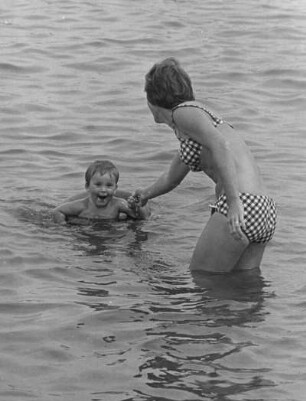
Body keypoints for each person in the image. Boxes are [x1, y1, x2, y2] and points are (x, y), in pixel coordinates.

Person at [133, 57, 276, 273]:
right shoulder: (193, 123)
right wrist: (145, 194)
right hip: (263, 209)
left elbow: (221, 145)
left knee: (202, 280)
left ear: (153, 96)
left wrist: (233, 201)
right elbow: (172, 177)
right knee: (245, 288)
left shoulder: (181, 112)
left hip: (240, 204)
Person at [53, 160, 150, 223]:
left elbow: (140, 216)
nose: (103, 190)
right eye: (98, 184)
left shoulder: (118, 204)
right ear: (87, 187)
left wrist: (135, 206)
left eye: (109, 185)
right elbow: (58, 211)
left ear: (115, 189)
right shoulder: (81, 206)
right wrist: (63, 227)